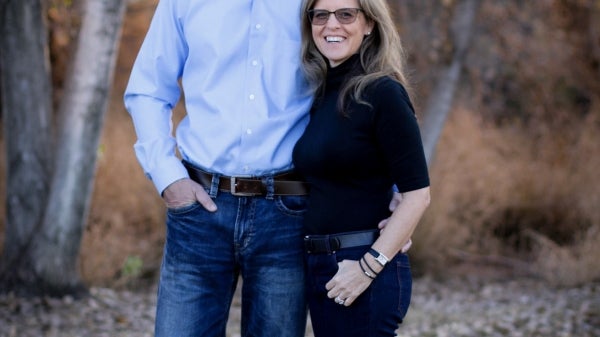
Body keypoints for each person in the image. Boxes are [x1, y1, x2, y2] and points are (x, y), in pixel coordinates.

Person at [123, 1, 404, 336]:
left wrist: (399, 193)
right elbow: (148, 89)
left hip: (289, 213)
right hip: (198, 209)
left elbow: (364, 78)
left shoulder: (314, 4)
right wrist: (168, 178)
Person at [292, 0, 431, 336]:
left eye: (346, 14)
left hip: (362, 265)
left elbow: (417, 195)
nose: (331, 25)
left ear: (369, 23)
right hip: (321, 265)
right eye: (320, 15)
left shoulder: (383, 91)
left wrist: (369, 267)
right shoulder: (323, 93)